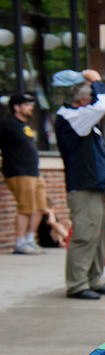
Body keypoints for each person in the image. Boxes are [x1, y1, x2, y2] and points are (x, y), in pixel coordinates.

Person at [55, 69, 105, 300]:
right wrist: (98, 81)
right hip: (83, 186)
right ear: (83, 100)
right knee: (84, 234)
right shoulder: (70, 117)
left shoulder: (79, 119)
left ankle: (93, 279)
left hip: (93, 185)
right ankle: (77, 284)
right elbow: (101, 107)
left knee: (96, 235)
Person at [1, 92, 46, 254]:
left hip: (34, 172)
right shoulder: (7, 124)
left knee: (40, 207)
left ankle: (29, 239)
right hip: (19, 171)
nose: (31, 107)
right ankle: (19, 243)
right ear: (16, 107)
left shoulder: (25, 125)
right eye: (26, 104)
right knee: (26, 208)